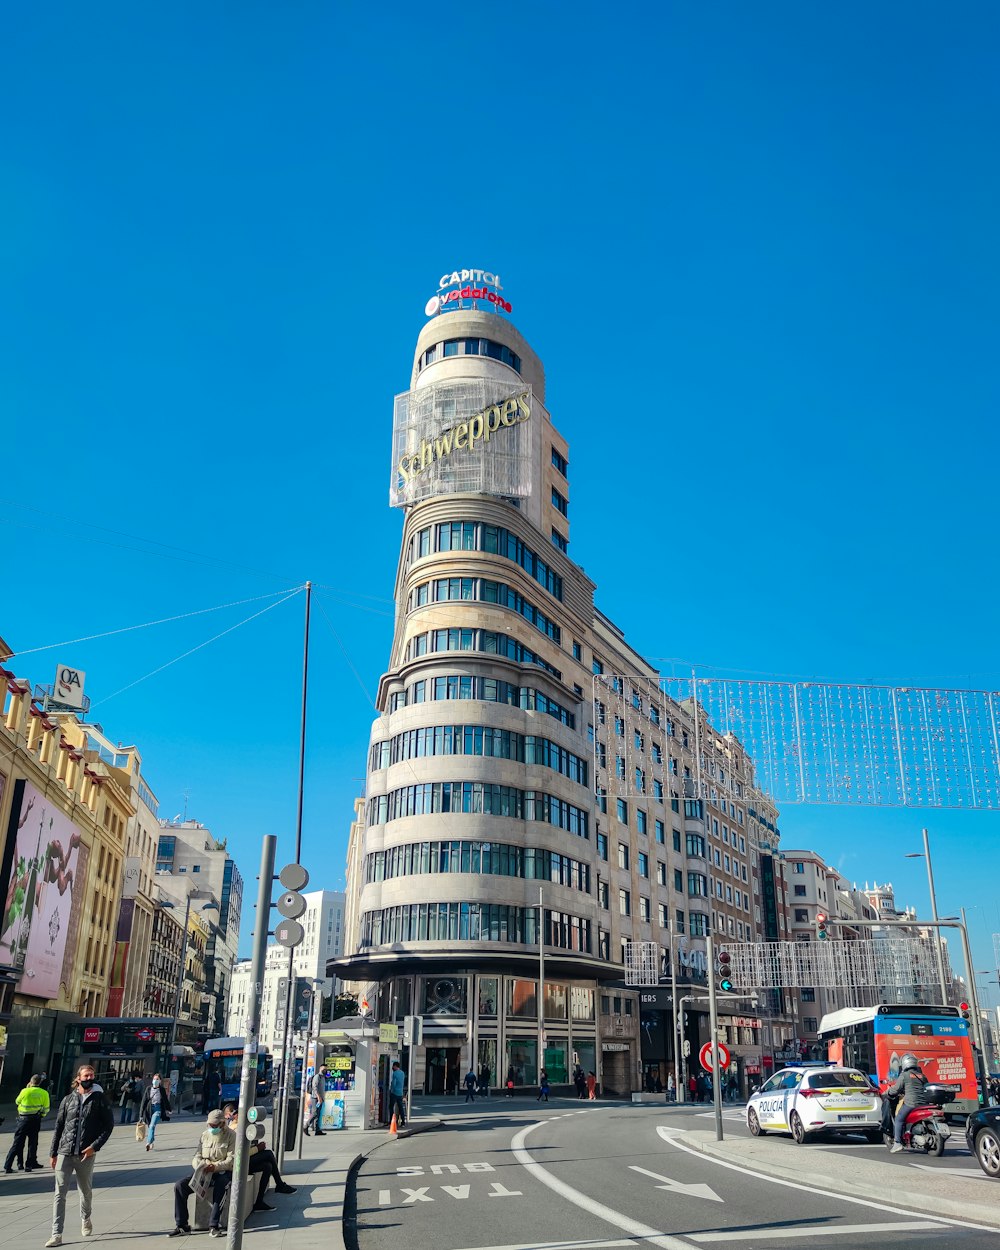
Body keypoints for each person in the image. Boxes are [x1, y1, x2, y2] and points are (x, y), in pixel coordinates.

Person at [46, 1063, 114, 1248]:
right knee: (59, 1194)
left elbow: (108, 1127)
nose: (90, 1079)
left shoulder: (99, 1099)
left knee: (85, 1191)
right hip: (64, 1152)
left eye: (92, 1075)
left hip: (86, 1154)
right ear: (78, 1078)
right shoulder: (68, 1099)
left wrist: (94, 1147)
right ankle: (56, 1233)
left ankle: (86, 1217)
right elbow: (59, 1127)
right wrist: (53, 1153)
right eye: (86, 1076)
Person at [169, 1109, 234, 1237]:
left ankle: (214, 1225)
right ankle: (182, 1225)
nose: (213, 1127)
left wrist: (214, 1167)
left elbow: (231, 1161)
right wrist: (199, 1166)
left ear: (222, 1123)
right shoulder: (205, 1135)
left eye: (215, 1125)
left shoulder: (231, 1135)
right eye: (211, 1125)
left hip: (222, 1171)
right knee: (180, 1186)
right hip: (204, 1171)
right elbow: (197, 1155)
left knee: (221, 1186)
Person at [220, 1104, 296, 1209]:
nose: (238, 1115)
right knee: (268, 1154)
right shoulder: (234, 1130)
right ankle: (280, 1185)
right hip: (238, 1164)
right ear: (229, 1116)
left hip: (244, 1161)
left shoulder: (240, 1126)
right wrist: (258, 1149)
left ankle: (259, 1201)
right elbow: (240, 1152)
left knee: (267, 1166)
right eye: (235, 1113)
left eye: (238, 1112)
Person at [887, 1052, 932, 1153]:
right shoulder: (922, 1075)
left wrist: (889, 1092)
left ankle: (897, 1142)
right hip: (924, 1103)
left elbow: (896, 1089)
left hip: (911, 1103)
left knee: (899, 1119)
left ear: (904, 1063)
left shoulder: (905, 1075)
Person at [4, 1073, 50, 1173]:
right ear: (40, 1082)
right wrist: (42, 1115)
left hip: (23, 1120)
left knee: (17, 1143)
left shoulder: (24, 1091)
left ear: (31, 1081)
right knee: (33, 1143)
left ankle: (8, 1165)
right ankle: (30, 1165)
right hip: (35, 1120)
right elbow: (46, 1108)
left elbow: (17, 1101)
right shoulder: (44, 1093)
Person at [139, 1073, 170, 1151]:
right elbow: (144, 1101)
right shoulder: (148, 1089)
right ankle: (152, 1141)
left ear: (160, 1081)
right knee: (150, 1126)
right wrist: (141, 1115)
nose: (155, 1081)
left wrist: (169, 1109)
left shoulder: (161, 1089)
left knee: (152, 1126)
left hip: (157, 1109)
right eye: (154, 1079)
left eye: (157, 1079)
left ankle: (148, 1143)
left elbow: (165, 1100)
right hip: (149, 1109)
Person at [305, 1066, 327, 1136]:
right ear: (320, 1069)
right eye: (324, 1069)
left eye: (326, 1069)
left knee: (318, 1114)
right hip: (315, 1098)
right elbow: (315, 1087)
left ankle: (317, 1130)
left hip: (321, 1098)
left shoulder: (323, 1077)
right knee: (315, 1113)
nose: (325, 1070)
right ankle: (306, 1126)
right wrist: (318, 1097)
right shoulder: (317, 1077)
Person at [388, 1060, 407, 1126]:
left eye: (393, 1066)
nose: (393, 1068)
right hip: (400, 1093)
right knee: (400, 1107)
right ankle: (403, 1122)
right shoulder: (402, 1073)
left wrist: (391, 1090)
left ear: (395, 1066)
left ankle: (392, 1121)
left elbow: (394, 1083)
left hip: (394, 1092)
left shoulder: (395, 1073)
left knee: (391, 1107)